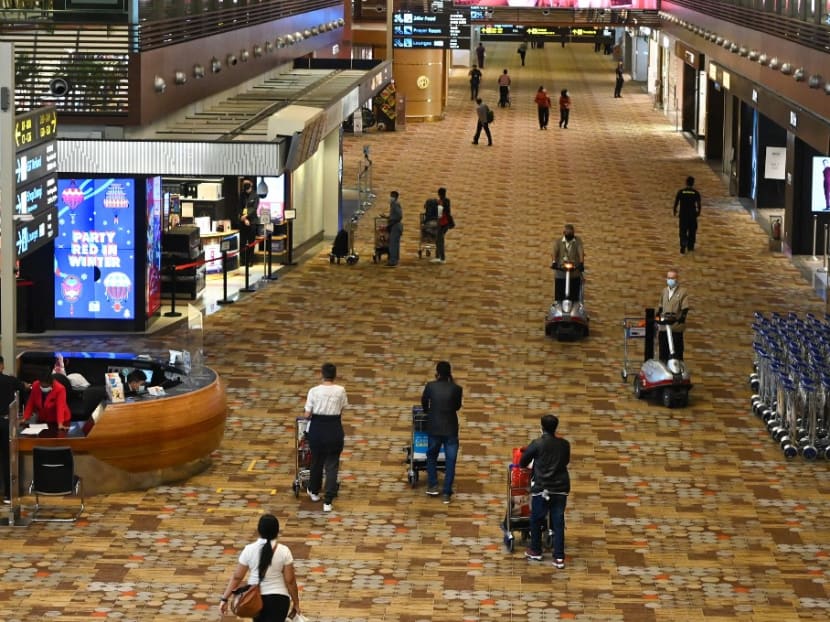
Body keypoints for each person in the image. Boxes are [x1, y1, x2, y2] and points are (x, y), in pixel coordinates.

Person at [219, 514, 301, 621]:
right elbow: (290, 581)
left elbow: (237, 577)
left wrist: (224, 599)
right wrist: (296, 602)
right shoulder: (284, 551)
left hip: (254, 599)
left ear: (259, 530)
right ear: (277, 531)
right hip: (279, 599)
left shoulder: (249, 550)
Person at [519, 414, 570, 570]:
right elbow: (565, 461)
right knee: (558, 522)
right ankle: (559, 557)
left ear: (541, 427)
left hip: (542, 487)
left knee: (536, 518)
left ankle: (536, 550)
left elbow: (523, 462)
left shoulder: (537, 444)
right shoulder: (564, 444)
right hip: (561, 488)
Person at [303, 362, 348, 512]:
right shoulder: (341, 391)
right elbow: (342, 408)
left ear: (321, 374)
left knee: (316, 460)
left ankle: (314, 491)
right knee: (332, 464)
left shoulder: (314, 391)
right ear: (335, 375)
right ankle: (328, 500)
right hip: (334, 428)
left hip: (317, 429)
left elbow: (307, 414)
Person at [421, 361, 463, 504]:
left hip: (434, 426)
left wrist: (430, 413)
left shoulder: (431, 386)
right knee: (450, 461)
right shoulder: (457, 389)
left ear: (437, 373)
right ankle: (446, 493)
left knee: (431, 455)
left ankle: (432, 485)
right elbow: (457, 407)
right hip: (451, 429)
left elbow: (424, 402)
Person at [0, 356, 30, 503]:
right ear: (2, 366)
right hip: (5, 424)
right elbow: (25, 387)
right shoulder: (10, 381)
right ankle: (7, 495)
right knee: (7, 459)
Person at [657, 269, 690, 362]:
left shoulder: (683, 292)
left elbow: (685, 307)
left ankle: (677, 371)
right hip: (664, 327)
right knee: (663, 352)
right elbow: (660, 306)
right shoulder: (664, 291)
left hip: (675, 327)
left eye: (672, 278)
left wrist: (682, 317)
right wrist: (657, 315)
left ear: (677, 279)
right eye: (669, 278)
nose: (670, 280)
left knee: (676, 353)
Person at [551, 224, 584, 302]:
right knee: (559, 296)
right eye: (567, 233)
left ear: (573, 233)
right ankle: (558, 307)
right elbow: (554, 252)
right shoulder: (558, 242)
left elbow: (581, 251)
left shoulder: (577, 241)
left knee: (575, 296)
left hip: (574, 272)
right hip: (561, 272)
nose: (569, 235)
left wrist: (581, 263)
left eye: (571, 233)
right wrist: (554, 262)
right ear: (564, 233)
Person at [673, 176, 702, 254]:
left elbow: (676, 202)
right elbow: (699, 204)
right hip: (692, 215)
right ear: (693, 183)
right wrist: (698, 212)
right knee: (692, 231)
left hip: (683, 215)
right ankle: (690, 246)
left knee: (682, 230)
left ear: (686, 182)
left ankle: (683, 243)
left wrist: (674, 210)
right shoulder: (696, 193)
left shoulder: (681, 192)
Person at [238, 178, 260, 268]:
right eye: (244, 184)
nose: (245, 185)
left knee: (251, 242)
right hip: (243, 221)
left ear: (251, 184)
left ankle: (251, 260)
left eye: (247, 184)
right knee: (242, 242)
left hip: (252, 222)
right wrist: (242, 218)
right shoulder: (241, 195)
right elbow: (239, 207)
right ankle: (243, 261)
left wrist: (246, 217)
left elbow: (254, 208)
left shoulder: (255, 196)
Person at [432, 187, 452, 264]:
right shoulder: (446, 200)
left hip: (442, 223)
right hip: (445, 223)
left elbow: (440, 214)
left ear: (439, 194)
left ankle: (442, 258)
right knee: (438, 240)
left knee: (440, 241)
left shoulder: (441, 202)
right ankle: (437, 256)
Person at [386, 191, 403, 267]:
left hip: (396, 226)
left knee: (393, 244)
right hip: (396, 226)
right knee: (395, 244)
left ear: (395, 197)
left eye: (391, 196)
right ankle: (395, 259)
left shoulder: (395, 204)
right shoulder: (394, 204)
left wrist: (391, 222)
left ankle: (393, 261)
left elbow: (399, 216)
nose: (390, 197)